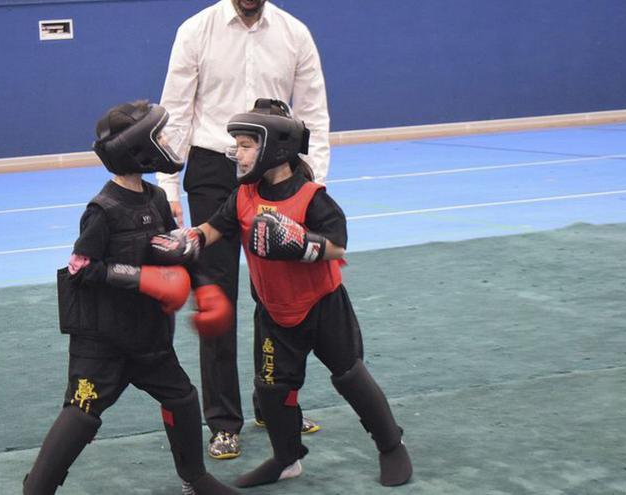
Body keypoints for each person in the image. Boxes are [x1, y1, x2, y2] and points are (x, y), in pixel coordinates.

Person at [191, 99, 413, 488]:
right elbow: (215, 227)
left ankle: (391, 446)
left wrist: (298, 243)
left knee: (349, 376)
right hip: (275, 313)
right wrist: (188, 241)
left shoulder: (311, 196)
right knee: (273, 388)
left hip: (323, 307)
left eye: (246, 145)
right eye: (237, 146)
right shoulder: (243, 195)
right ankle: (286, 458)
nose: (238, 155)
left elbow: (337, 245)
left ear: (275, 149)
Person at [23, 100, 239, 495]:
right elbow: (80, 267)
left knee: (183, 398)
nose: (165, 142)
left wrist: (204, 286)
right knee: (81, 413)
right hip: (102, 341)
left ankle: (195, 478)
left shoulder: (156, 200)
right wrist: (144, 279)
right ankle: (36, 489)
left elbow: (175, 249)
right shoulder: (102, 210)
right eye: (157, 136)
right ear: (137, 148)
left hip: (148, 337)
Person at [158, 0, 330, 459]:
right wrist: (167, 184)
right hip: (213, 170)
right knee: (216, 299)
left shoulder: (295, 33)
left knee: (275, 295)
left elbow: (313, 112)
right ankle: (222, 422)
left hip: (277, 172)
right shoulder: (195, 30)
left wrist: (312, 184)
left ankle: (271, 403)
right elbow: (175, 110)